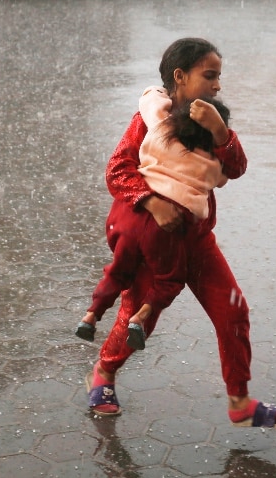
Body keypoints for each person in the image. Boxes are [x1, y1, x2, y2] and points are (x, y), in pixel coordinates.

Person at [84, 37, 276, 429]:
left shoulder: (213, 121)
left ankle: (239, 401)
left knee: (233, 311)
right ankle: (104, 374)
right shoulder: (149, 119)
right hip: (153, 239)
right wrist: (152, 202)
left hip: (196, 240)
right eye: (209, 76)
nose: (217, 86)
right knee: (139, 317)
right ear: (179, 77)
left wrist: (220, 133)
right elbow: (117, 171)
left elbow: (236, 168)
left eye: (219, 78)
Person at [76, 90, 231, 350]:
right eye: (211, 76)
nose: (217, 84)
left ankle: (91, 315)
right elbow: (226, 177)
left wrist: (156, 93)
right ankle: (140, 317)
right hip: (164, 228)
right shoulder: (208, 163)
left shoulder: (158, 130)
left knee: (117, 271)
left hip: (128, 218)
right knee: (169, 279)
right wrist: (219, 138)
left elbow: (150, 105)